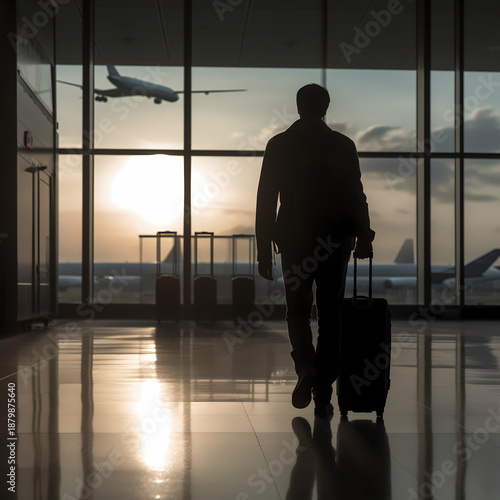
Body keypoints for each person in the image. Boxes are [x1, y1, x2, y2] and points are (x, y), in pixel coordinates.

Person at [255, 83, 375, 418]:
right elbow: (356, 195)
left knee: (296, 310)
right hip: (336, 241)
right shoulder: (342, 145)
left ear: (297, 107)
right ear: (326, 107)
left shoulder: (279, 145)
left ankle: (306, 365)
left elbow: (265, 199)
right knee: (330, 316)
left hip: (294, 241)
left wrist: (263, 249)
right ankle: (323, 390)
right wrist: (364, 236)